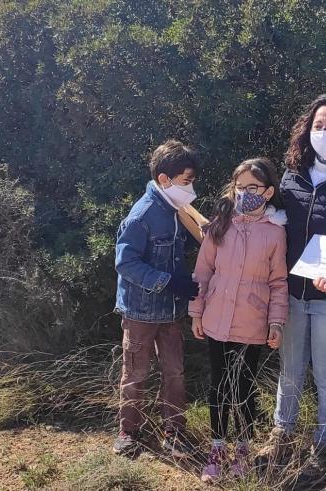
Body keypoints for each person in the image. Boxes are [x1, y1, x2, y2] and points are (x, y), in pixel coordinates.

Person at [254, 94, 326, 478]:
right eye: (318, 126)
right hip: (291, 291)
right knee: (290, 370)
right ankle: (281, 435)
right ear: (308, 131)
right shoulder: (291, 175)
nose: (324, 133)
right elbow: (278, 220)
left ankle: (324, 450)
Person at [189, 157, 289, 483]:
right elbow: (202, 272)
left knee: (243, 388)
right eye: (240, 186)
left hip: (252, 324)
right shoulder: (220, 224)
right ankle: (217, 448)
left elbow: (278, 283)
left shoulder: (275, 233)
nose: (245, 193)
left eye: (253, 187)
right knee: (218, 386)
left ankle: (243, 449)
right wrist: (196, 311)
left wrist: (276, 322)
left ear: (269, 191)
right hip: (217, 319)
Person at [113, 140, 202, 458]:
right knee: (135, 372)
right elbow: (125, 263)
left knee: (174, 371)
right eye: (186, 181)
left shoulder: (178, 210)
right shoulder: (143, 215)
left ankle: (174, 431)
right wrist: (167, 282)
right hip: (140, 311)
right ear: (165, 179)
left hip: (170, 312)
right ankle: (129, 432)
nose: (191, 188)